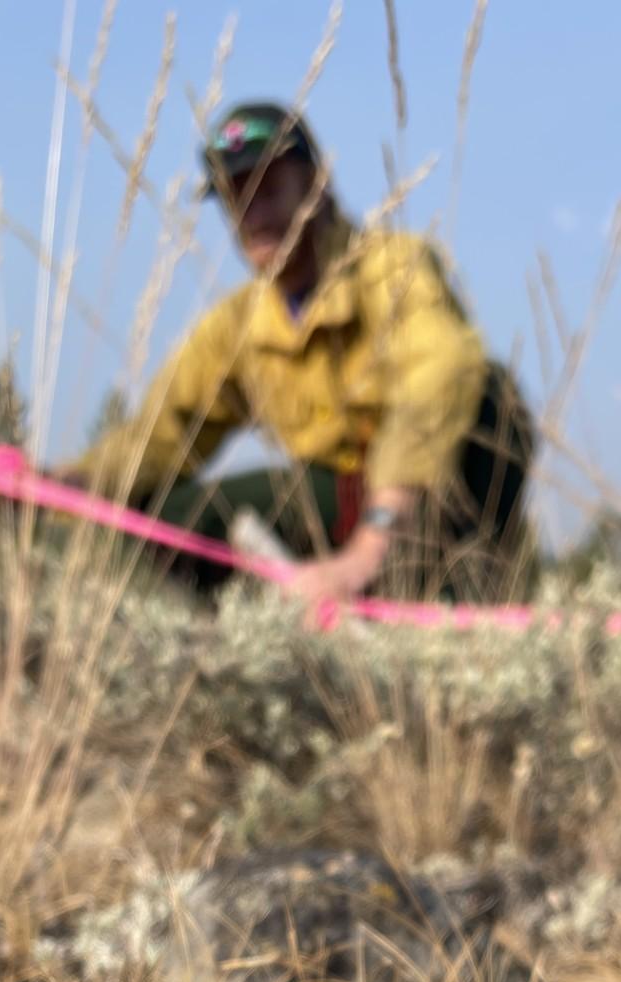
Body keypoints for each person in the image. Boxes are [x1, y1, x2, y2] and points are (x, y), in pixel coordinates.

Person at [68, 101, 535, 606]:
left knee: (490, 398)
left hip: (421, 504)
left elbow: (439, 373)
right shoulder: (235, 325)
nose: (253, 214)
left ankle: (448, 603)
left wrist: (374, 540)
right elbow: (158, 438)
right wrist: (61, 484)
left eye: (267, 190)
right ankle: (251, 638)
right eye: (234, 197)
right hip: (333, 509)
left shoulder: (391, 266)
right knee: (158, 518)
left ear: (316, 187)